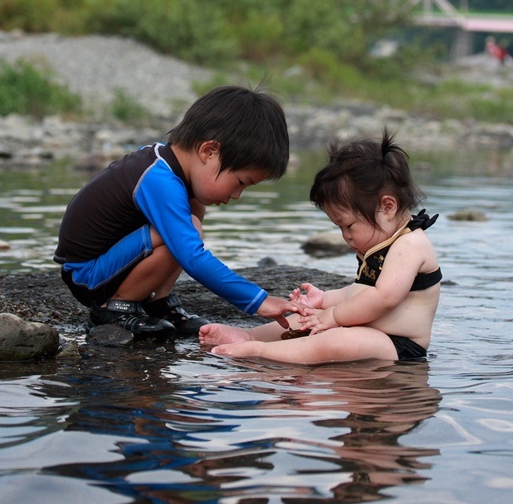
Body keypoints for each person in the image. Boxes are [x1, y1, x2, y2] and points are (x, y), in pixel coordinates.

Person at [54, 84, 303, 341]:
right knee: (187, 231)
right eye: (240, 182)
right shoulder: (159, 180)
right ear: (209, 151)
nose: (237, 195)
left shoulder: (164, 161)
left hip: (110, 261)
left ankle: (156, 302)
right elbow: (192, 257)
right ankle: (113, 310)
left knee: (192, 210)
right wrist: (258, 300)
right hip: (88, 276)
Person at [200, 129, 442, 364]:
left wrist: (333, 316)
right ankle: (251, 336)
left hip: (398, 344)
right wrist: (324, 300)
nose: (345, 236)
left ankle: (261, 350)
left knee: (337, 340)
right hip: (369, 332)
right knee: (306, 319)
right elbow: (360, 292)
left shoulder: (410, 244)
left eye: (348, 225)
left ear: (387, 207)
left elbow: (384, 298)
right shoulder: (385, 241)